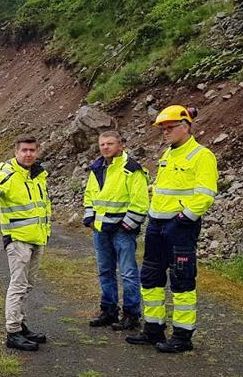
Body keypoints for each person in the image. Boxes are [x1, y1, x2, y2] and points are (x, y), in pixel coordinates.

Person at [126, 106, 218, 353]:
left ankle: (182, 336)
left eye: (170, 128)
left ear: (186, 126)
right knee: (151, 277)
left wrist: (183, 219)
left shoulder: (202, 156)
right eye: (163, 129)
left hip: (180, 227)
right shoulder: (168, 154)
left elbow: (206, 194)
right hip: (157, 224)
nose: (165, 133)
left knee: (181, 279)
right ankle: (153, 328)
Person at [0, 135, 51, 351]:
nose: (28, 154)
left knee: (27, 284)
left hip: (37, 238)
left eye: (32, 150)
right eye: (24, 150)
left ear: (37, 151)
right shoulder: (8, 174)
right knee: (18, 285)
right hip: (18, 239)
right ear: (16, 152)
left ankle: (20, 324)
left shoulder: (38, 175)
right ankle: (13, 332)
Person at [82, 130, 149, 331]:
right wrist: (90, 218)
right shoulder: (97, 168)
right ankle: (109, 310)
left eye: (110, 144)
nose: (105, 147)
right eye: (102, 144)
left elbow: (140, 202)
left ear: (121, 146)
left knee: (128, 273)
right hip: (101, 229)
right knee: (105, 271)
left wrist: (128, 225)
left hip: (122, 230)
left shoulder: (132, 169)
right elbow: (90, 195)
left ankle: (131, 314)